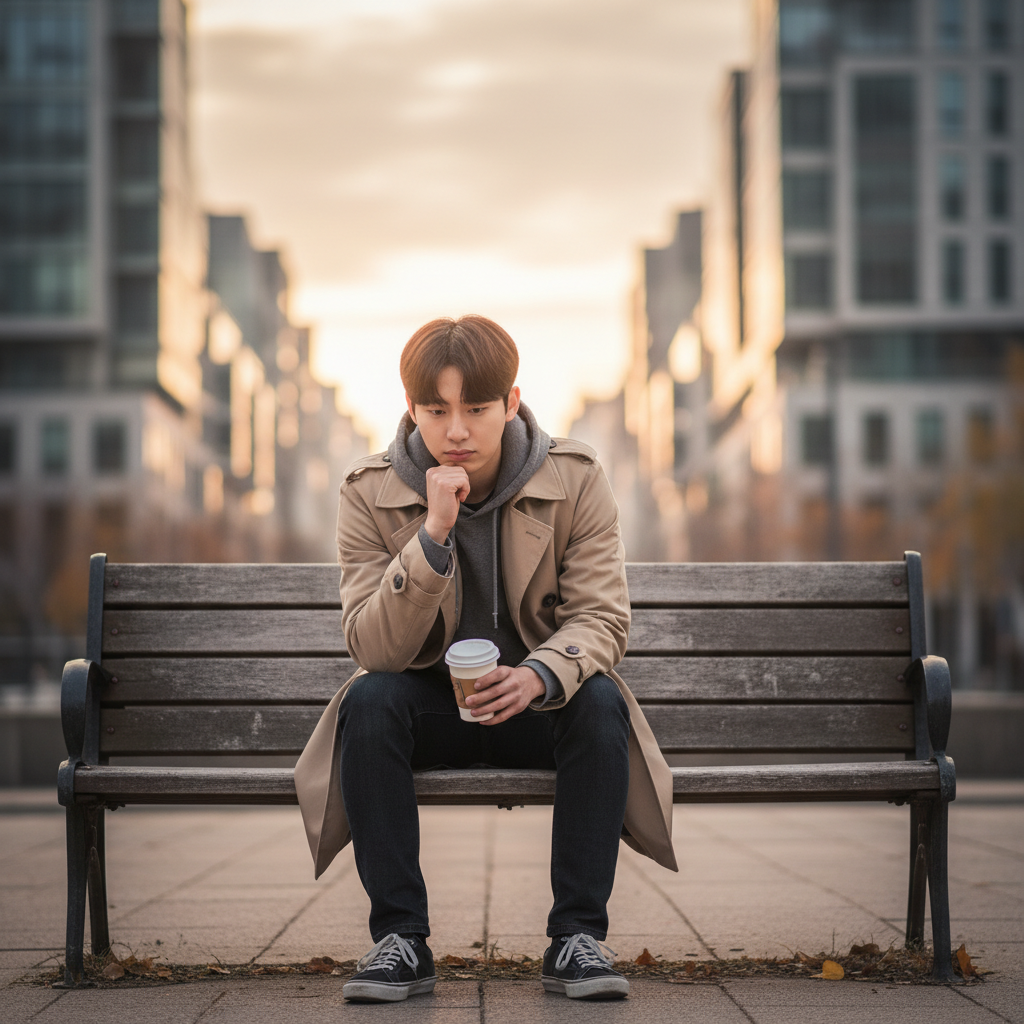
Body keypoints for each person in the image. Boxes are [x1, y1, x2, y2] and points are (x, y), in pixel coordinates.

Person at [294, 315, 677, 1003]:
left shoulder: (576, 477)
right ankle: (401, 940)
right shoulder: (369, 490)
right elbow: (374, 646)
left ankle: (576, 940)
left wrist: (537, 674)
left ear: (511, 401)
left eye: (475, 408)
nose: (457, 430)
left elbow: (602, 617)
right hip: (428, 708)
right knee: (369, 699)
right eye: (436, 410)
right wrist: (432, 535)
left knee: (600, 700)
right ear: (411, 408)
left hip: (539, 703)